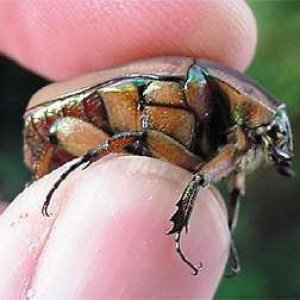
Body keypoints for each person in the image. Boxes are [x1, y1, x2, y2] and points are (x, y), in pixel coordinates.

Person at [0, 1, 257, 298]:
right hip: (65, 123)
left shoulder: (224, 140)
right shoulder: (194, 92)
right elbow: (135, 137)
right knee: (77, 135)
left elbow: (226, 177)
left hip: (102, 136)